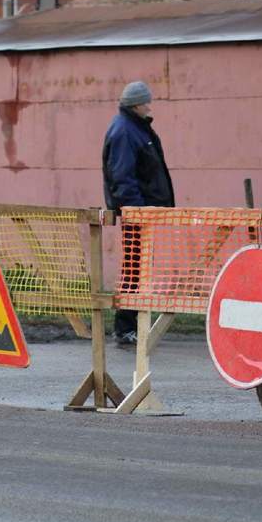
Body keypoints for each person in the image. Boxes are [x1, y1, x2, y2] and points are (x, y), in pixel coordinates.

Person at [102, 81, 174, 347]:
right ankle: (125, 326)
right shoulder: (126, 131)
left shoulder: (134, 128)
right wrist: (136, 210)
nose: (149, 105)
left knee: (138, 267)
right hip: (138, 214)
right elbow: (123, 177)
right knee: (135, 268)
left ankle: (132, 322)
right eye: (146, 102)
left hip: (143, 212)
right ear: (135, 103)